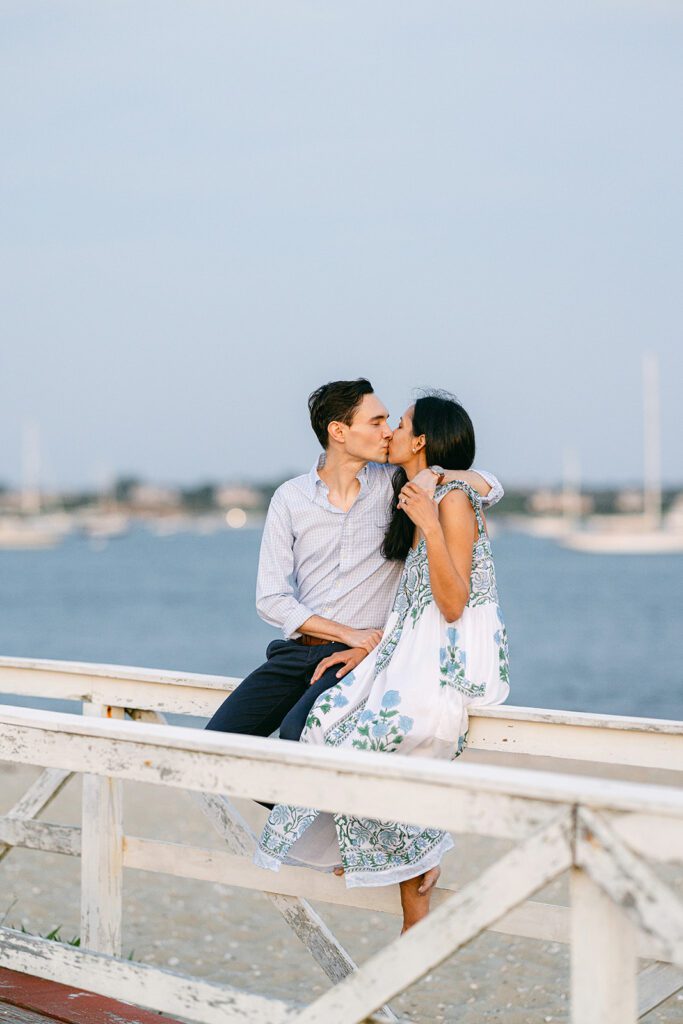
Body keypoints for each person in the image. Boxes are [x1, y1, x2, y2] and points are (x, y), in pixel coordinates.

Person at [254, 392, 510, 936]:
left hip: (449, 656)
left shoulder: (449, 498)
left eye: (401, 423)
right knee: (320, 727)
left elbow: (451, 602)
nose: (390, 429)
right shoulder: (408, 493)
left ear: (420, 441)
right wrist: (366, 645)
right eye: (382, 420)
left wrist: (433, 509)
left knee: (371, 736)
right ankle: (378, 849)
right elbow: (412, 600)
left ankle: (417, 866)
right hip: (404, 644)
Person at [205, 378, 502, 747]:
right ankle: (310, 807)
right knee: (214, 744)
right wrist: (347, 633)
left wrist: (435, 473)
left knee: (299, 737)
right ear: (339, 431)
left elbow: (490, 485)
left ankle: (341, 806)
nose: (387, 433)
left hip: (360, 658)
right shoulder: (290, 498)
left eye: (391, 423)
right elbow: (271, 599)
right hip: (299, 650)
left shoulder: (398, 484)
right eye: (376, 423)